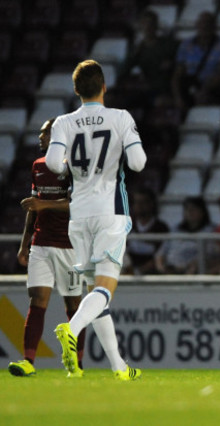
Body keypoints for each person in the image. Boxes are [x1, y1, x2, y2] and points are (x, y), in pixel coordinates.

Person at [45, 59, 147, 380]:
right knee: (104, 288)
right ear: (104, 87)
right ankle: (71, 329)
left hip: (79, 215)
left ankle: (119, 367)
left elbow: (53, 165)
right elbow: (139, 163)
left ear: (76, 90)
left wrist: (70, 162)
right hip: (110, 212)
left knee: (94, 289)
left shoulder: (62, 122)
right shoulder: (120, 118)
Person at [8, 118, 88, 377]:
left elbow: (77, 204)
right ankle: (28, 361)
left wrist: (44, 205)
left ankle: (77, 363)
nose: (40, 138)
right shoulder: (38, 166)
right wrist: (24, 244)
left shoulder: (76, 167)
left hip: (70, 246)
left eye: (45, 133)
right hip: (41, 244)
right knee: (37, 300)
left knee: (74, 304)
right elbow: (34, 207)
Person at [171, 11, 220, 109]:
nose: (205, 27)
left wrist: (205, 89)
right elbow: (178, 73)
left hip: (213, 89)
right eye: (202, 23)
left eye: (208, 23)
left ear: (214, 26)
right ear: (197, 25)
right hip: (190, 86)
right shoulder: (186, 45)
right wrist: (177, 97)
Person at [117, 9, 177, 106]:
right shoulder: (139, 49)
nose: (148, 27)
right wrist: (134, 53)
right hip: (146, 89)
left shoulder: (167, 44)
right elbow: (124, 70)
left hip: (164, 89)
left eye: (151, 24)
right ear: (141, 26)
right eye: (145, 23)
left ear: (156, 25)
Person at [154, 196, 213, 274]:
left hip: (191, 270)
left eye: (193, 209)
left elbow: (208, 254)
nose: (190, 212)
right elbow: (161, 253)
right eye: (187, 209)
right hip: (169, 269)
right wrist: (161, 268)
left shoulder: (209, 231)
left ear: (202, 212)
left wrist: (188, 267)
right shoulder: (175, 230)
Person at [125, 187, 170, 275]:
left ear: (151, 204)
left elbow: (161, 254)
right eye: (136, 202)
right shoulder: (128, 225)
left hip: (152, 272)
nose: (139, 206)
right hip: (130, 270)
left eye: (143, 202)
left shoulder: (161, 228)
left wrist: (140, 270)